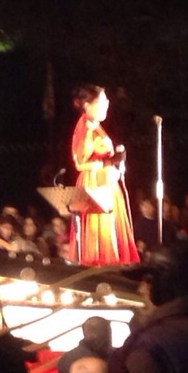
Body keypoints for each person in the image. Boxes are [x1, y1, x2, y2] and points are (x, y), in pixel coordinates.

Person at [69, 84, 139, 265]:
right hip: (95, 184)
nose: (107, 104)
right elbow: (80, 162)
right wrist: (109, 162)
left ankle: (111, 267)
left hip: (105, 182)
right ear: (88, 105)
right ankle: (98, 268)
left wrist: (115, 163)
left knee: (109, 231)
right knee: (100, 233)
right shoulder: (85, 126)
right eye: (102, 101)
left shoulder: (95, 126)